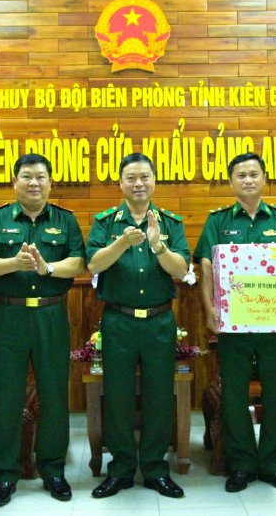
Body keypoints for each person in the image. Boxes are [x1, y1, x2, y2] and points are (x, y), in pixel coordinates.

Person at [0, 153, 86, 507]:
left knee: (54, 394)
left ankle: (52, 469)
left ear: (50, 183)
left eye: (40, 177)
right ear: (15, 182)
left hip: (51, 316)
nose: (33, 182)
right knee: (6, 396)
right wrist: (14, 263)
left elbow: (78, 262)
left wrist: (47, 268)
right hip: (9, 316)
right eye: (26, 176)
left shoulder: (65, 220)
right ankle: (5, 473)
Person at [193, 152, 276, 493]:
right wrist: (210, 309)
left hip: (275, 324)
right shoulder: (218, 221)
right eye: (240, 175)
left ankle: (274, 464)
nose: (247, 179)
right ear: (231, 183)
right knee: (234, 395)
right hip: (234, 325)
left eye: (253, 173)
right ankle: (241, 463)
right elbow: (206, 267)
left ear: (264, 179)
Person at [87, 153, 190, 500]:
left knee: (160, 395)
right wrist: (120, 243)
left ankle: (156, 469)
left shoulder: (171, 222)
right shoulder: (106, 222)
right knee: (117, 396)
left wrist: (158, 245)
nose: (138, 184)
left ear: (154, 181)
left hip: (160, 321)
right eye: (131, 178)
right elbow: (92, 264)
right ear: (121, 183)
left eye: (144, 177)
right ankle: (120, 470)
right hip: (118, 321)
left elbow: (180, 270)